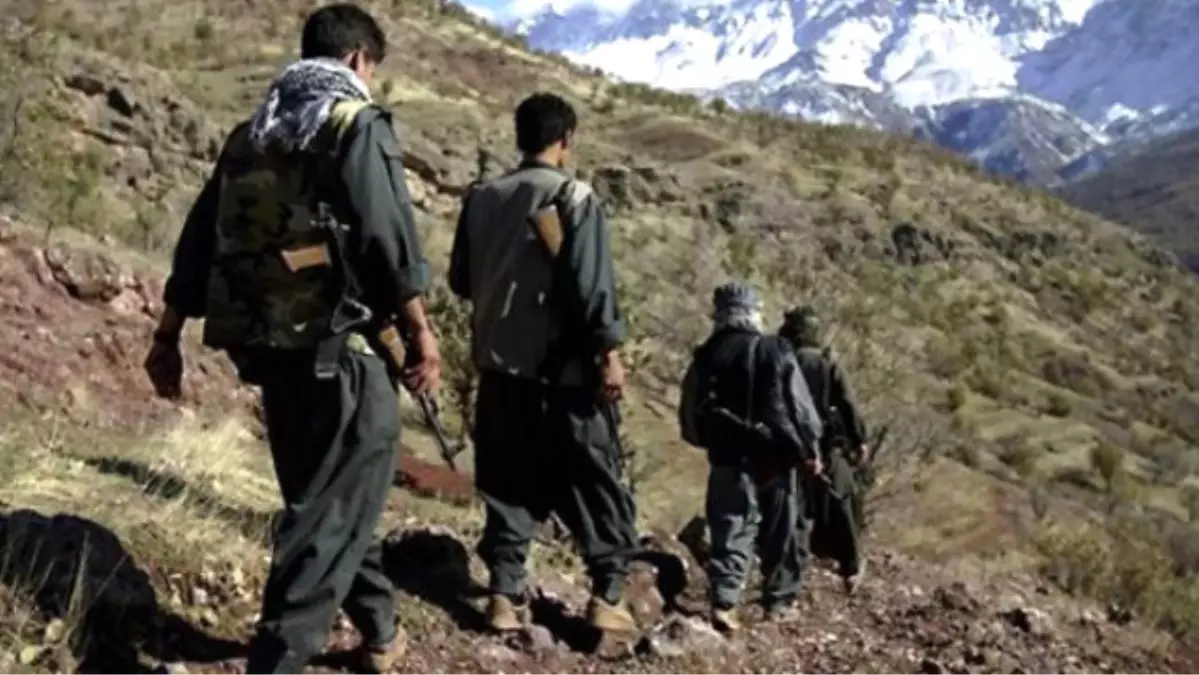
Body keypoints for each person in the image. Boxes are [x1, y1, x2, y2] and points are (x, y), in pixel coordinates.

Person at [142, 4, 440, 673]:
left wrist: (167, 335)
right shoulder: (354, 124)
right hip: (347, 352)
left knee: (327, 495)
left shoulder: (252, 133)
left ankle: (380, 633)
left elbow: (198, 241)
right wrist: (421, 330)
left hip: (270, 351)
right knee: (335, 503)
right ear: (360, 60)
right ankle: (277, 658)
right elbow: (387, 237)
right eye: (374, 70)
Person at [447, 92, 639, 634]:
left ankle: (504, 597)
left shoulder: (481, 197)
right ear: (566, 139)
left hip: (500, 371)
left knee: (507, 485)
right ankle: (607, 598)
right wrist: (609, 355)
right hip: (565, 376)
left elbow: (461, 281)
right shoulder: (575, 197)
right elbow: (593, 289)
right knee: (594, 480)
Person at [678, 282, 824, 632]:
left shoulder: (706, 355)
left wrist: (705, 440)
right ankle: (778, 602)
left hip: (727, 456)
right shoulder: (774, 348)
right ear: (754, 313)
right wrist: (810, 449)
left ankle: (725, 601)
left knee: (730, 525)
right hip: (775, 456)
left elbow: (689, 415)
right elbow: (800, 408)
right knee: (780, 529)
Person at [778, 305, 869, 594]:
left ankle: (792, 574)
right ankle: (851, 568)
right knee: (843, 502)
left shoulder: (780, 360)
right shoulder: (826, 364)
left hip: (787, 445)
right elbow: (847, 404)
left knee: (795, 510)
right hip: (826, 447)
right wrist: (859, 439)